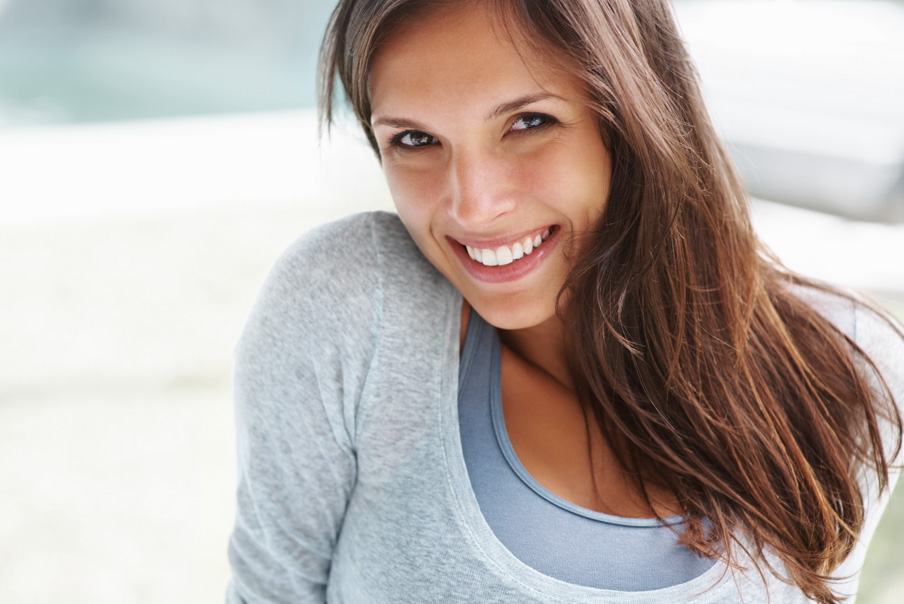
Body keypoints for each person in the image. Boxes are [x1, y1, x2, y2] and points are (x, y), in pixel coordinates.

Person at [225, 1, 904, 602]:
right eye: (415, 140)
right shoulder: (353, 307)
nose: (473, 205)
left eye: (527, 121)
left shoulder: (848, 376)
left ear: (633, 119)